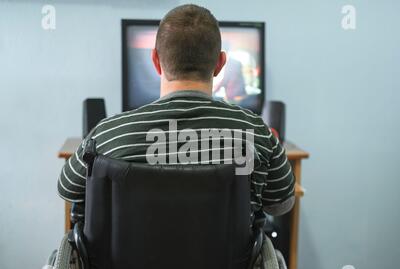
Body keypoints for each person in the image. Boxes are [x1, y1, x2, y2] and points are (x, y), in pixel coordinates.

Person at [58, 4, 295, 217]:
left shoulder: (109, 135)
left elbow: (67, 190)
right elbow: (280, 205)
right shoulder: (256, 132)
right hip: (227, 266)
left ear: (155, 60)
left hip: (129, 266)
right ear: (220, 64)